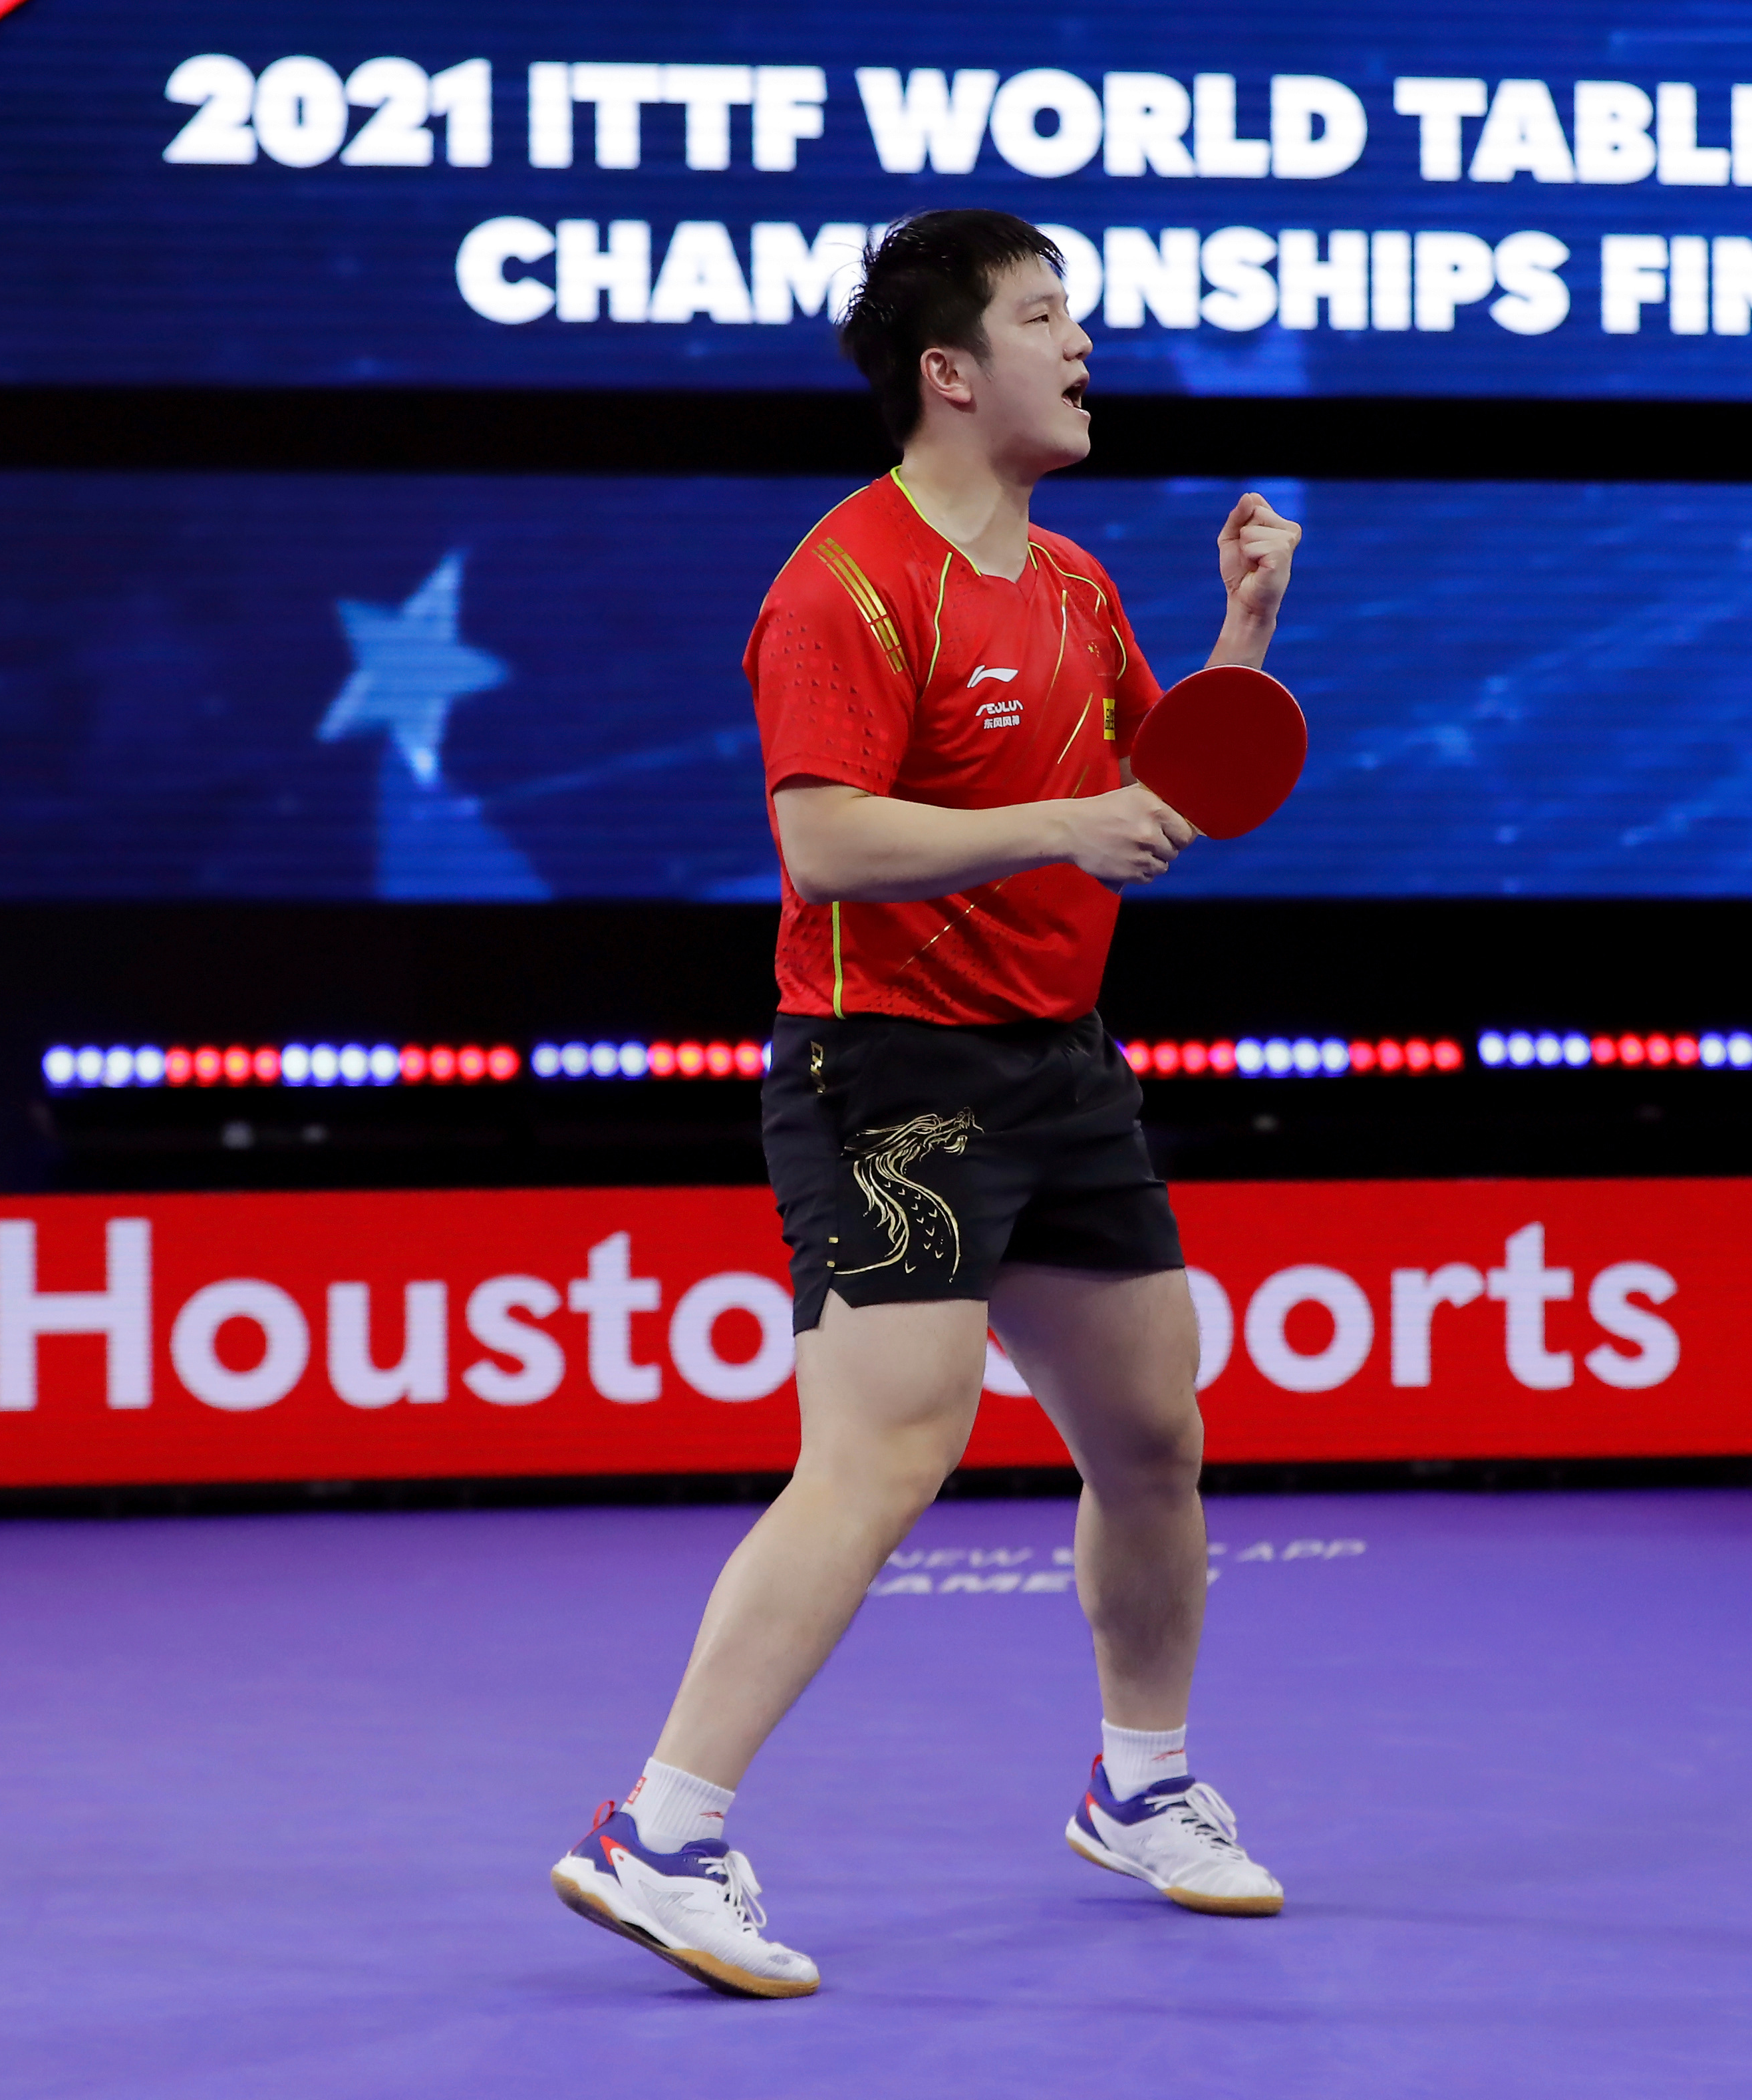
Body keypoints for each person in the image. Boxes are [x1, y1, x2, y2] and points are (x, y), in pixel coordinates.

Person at [550, 210, 1301, 1999]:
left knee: (1153, 1441)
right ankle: (659, 1831)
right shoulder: (848, 582)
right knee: (887, 1449)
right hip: (885, 1067)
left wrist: (1246, 632)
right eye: (1048, 318)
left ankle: (1143, 1785)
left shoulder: (1075, 586)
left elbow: (1171, 789)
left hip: (1059, 1061)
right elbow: (820, 839)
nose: (1083, 347)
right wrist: (1058, 828)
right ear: (951, 371)